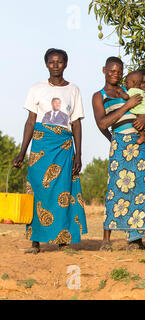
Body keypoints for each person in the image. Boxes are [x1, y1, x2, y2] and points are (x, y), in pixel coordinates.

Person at [12, 48, 87, 254]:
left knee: (63, 190)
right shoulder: (37, 88)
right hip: (41, 144)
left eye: (60, 62)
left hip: (64, 145)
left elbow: (77, 123)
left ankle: (63, 240)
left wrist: (78, 154)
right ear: (46, 64)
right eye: (52, 62)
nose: (56, 65)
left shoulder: (73, 89)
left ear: (66, 64)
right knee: (37, 189)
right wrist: (21, 152)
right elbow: (30, 122)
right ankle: (35, 242)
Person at [92, 57, 145, 251]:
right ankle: (106, 239)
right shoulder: (99, 96)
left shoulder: (130, 91)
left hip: (141, 145)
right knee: (116, 189)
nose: (115, 74)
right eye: (112, 70)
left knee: (141, 189)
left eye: (119, 71)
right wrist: (127, 106)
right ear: (104, 69)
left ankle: (135, 240)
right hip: (121, 145)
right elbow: (102, 123)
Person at [116, 70, 145, 145]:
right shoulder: (142, 92)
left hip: (141, 111)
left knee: (137, 123)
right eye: (143, 82)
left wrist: (121, 92)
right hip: (144, 111)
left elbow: (126, 96)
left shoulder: (132, 90)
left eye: (127, 83)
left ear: (133, 82)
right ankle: (142, 136)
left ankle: (142, 136)